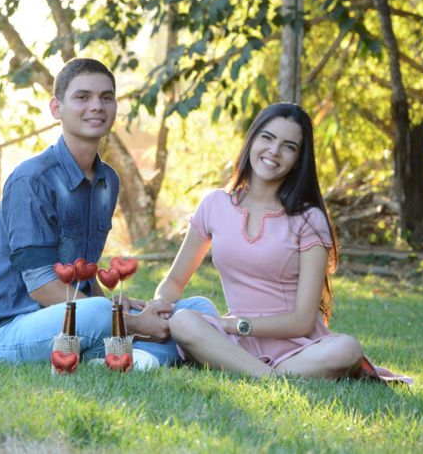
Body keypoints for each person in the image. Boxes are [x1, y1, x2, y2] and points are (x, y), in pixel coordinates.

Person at [0, 57, 217, 368]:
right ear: (56, 108)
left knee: (197, 310)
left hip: (78, 319)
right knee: (102, 313)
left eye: (106, 97)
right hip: (12, 330)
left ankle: (129, 360)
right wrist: (133, 323)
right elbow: (43, 287)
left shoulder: (107, 181)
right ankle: (138, 351)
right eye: (82, 97)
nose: (96, 106)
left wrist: (121, 308)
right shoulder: (31, 180)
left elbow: (84, 270)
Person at [150, 102, 367, 379]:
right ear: (251, 140)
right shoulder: (215, 204)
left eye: (289, 146)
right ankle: (272, 376)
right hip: (238, 345)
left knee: (347, 349)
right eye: (267, 138)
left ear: (298, 159)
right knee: (183, 321)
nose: (274, 151)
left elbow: (302, 321)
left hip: (300, 348)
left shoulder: (309, 218)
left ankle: (256, 373)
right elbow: (173, 281)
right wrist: (158, 304)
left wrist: (231, 325)